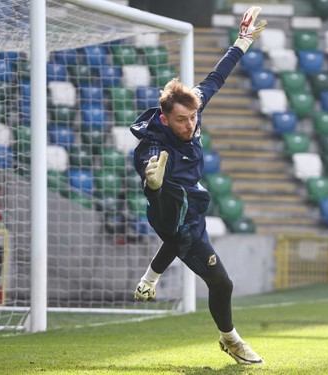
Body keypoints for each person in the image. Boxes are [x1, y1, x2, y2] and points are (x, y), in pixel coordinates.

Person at [129, 6, 267, 365]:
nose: (189, 125)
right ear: (164, 118)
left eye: (193, 118)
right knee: (182, 235)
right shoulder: (154, 140)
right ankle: (232, 340)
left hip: (191, 201)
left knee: (221, 284)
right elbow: (148, 156)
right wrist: (151, 176)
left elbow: (216, 77)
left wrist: (242, 42)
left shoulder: (192, 107)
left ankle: (224, 336)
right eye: (181, 120)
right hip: (167, 203)